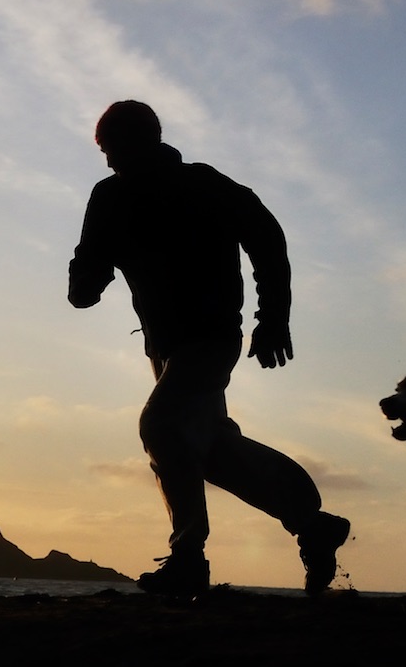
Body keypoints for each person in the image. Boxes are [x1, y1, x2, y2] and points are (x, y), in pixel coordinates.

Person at [68, 100, 350, 597]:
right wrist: (87, 278)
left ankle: (187, 559)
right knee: (211, 451)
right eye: (104, 153)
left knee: (161, 426)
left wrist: (273, 319)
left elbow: (267, 239)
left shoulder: (202, 184)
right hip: (165, 348)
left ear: (142, 141)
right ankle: (313, 524)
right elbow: (87, 267)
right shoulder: (110, 196)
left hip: (212, 339)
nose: (109, 161)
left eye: (113, 150)